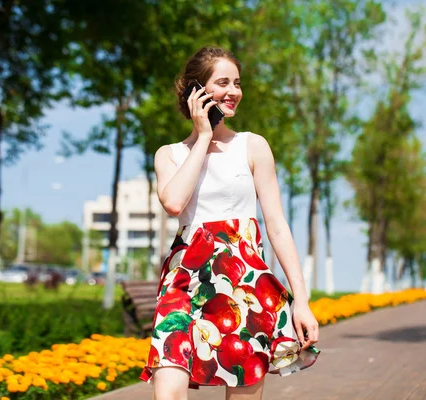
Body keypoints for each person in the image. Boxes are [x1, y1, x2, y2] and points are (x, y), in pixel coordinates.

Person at [140, 47, 320, 400]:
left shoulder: (252, 147)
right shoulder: (170, 154)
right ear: (196, 91)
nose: (233, 91)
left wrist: (302, 299)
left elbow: (277, 226)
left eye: (237, 82)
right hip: (183, 287)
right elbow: (174, 202)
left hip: (244, 287)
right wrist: (203, 137)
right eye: (222, 82)